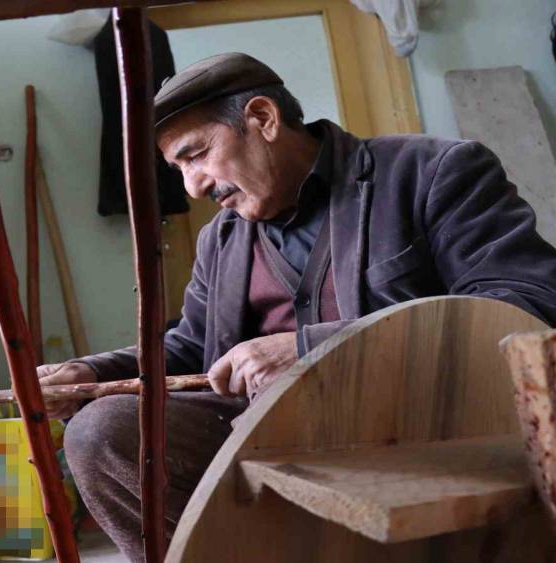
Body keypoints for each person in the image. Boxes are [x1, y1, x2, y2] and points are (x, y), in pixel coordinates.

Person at [36, 52, 556, 562]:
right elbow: (191, 347)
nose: (193, 187)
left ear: (263, 118)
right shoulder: (220, 238)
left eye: (196, 155)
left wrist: (313, 349)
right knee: (103, 432)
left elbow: (526, 302)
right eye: (178, 169)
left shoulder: (431, 172)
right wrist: (92, 375)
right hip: (262, 427)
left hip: (410, 415)